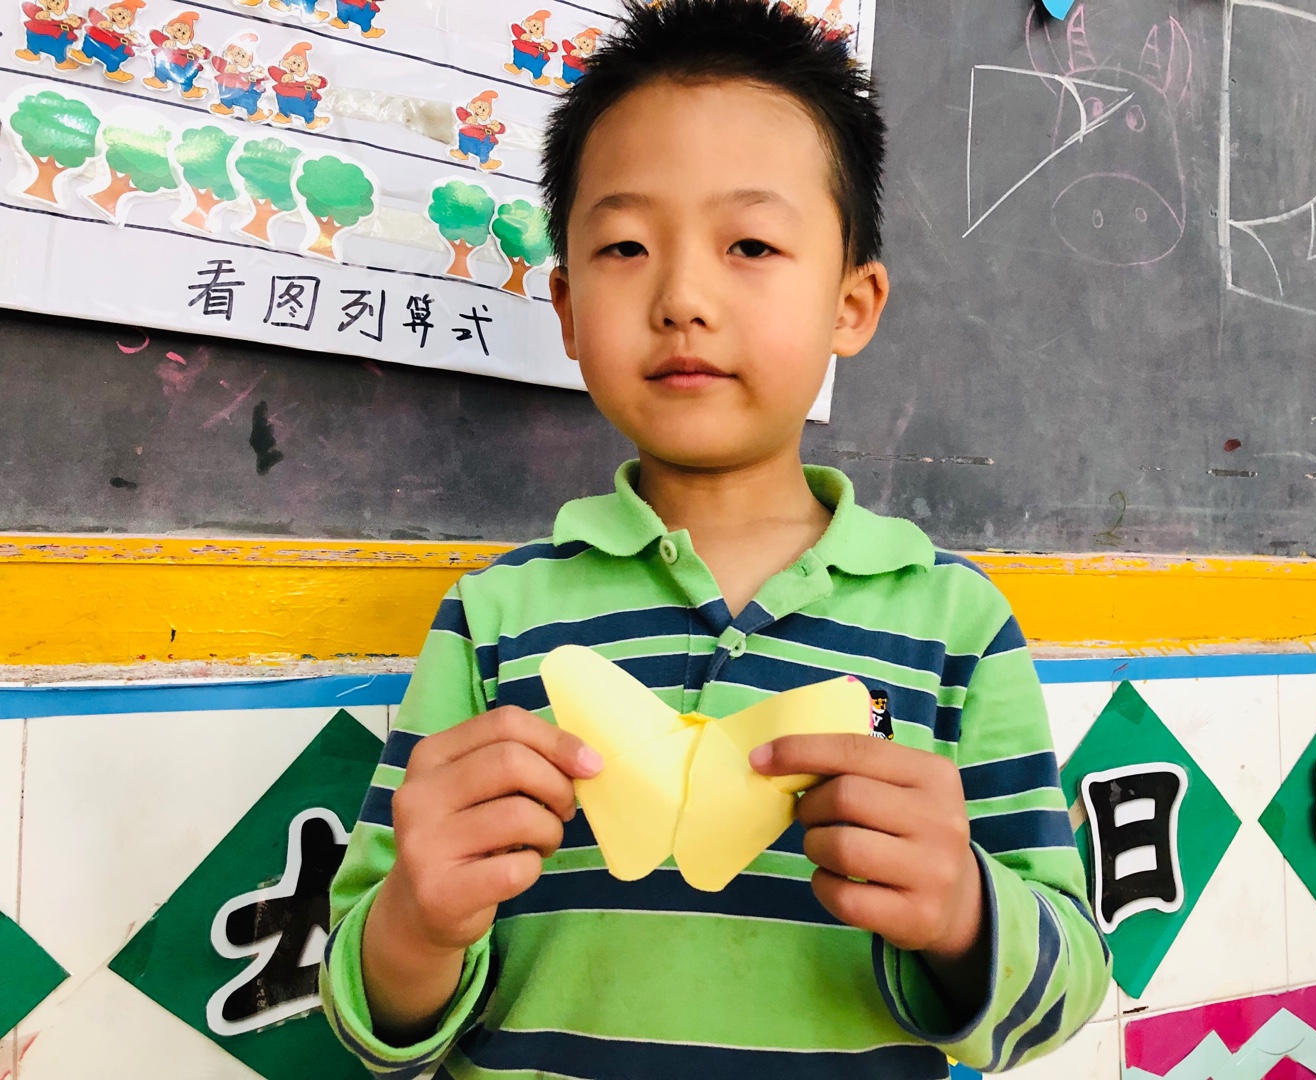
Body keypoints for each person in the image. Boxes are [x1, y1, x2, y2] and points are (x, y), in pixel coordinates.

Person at [321, 2, 1111, 1077]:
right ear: (567, 306)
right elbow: (373, 1022)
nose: (683, 298)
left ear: (853, 303)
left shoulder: (952, 622)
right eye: (626, 246)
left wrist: (964, 912)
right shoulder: (495, 617)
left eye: (750, 244)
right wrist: (419, 924)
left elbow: (1063, 991)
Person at [143, 10, 209, 97]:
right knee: (160, 57)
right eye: (179, 29)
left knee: (191, 69)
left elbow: (208, 55)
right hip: (166, 68)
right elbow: (153, 34)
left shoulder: (190, 49)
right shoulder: (166, 40)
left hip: (183, 72)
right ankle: (159, 80)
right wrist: (165, 41)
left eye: (185, 32)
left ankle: (188, 90)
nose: (180, 33)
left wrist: (202, 52)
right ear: (170, 28)